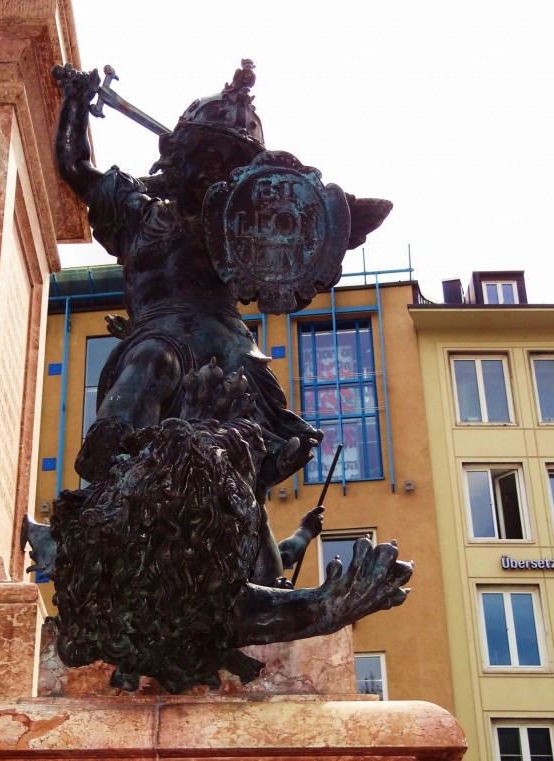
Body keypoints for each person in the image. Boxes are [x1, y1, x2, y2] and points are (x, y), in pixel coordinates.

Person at [51, 60, 388, 586]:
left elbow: (294, 240)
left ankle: (249, 568)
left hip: (225, 348)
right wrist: (75, 101)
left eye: (230, 166)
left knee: (235, 470)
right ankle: (110, 474)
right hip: (158, 332)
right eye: (206, 157)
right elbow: (75, 166)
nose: (214, 172)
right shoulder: (136, 209)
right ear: (178, 155)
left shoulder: (235, 227)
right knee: (153, 361)